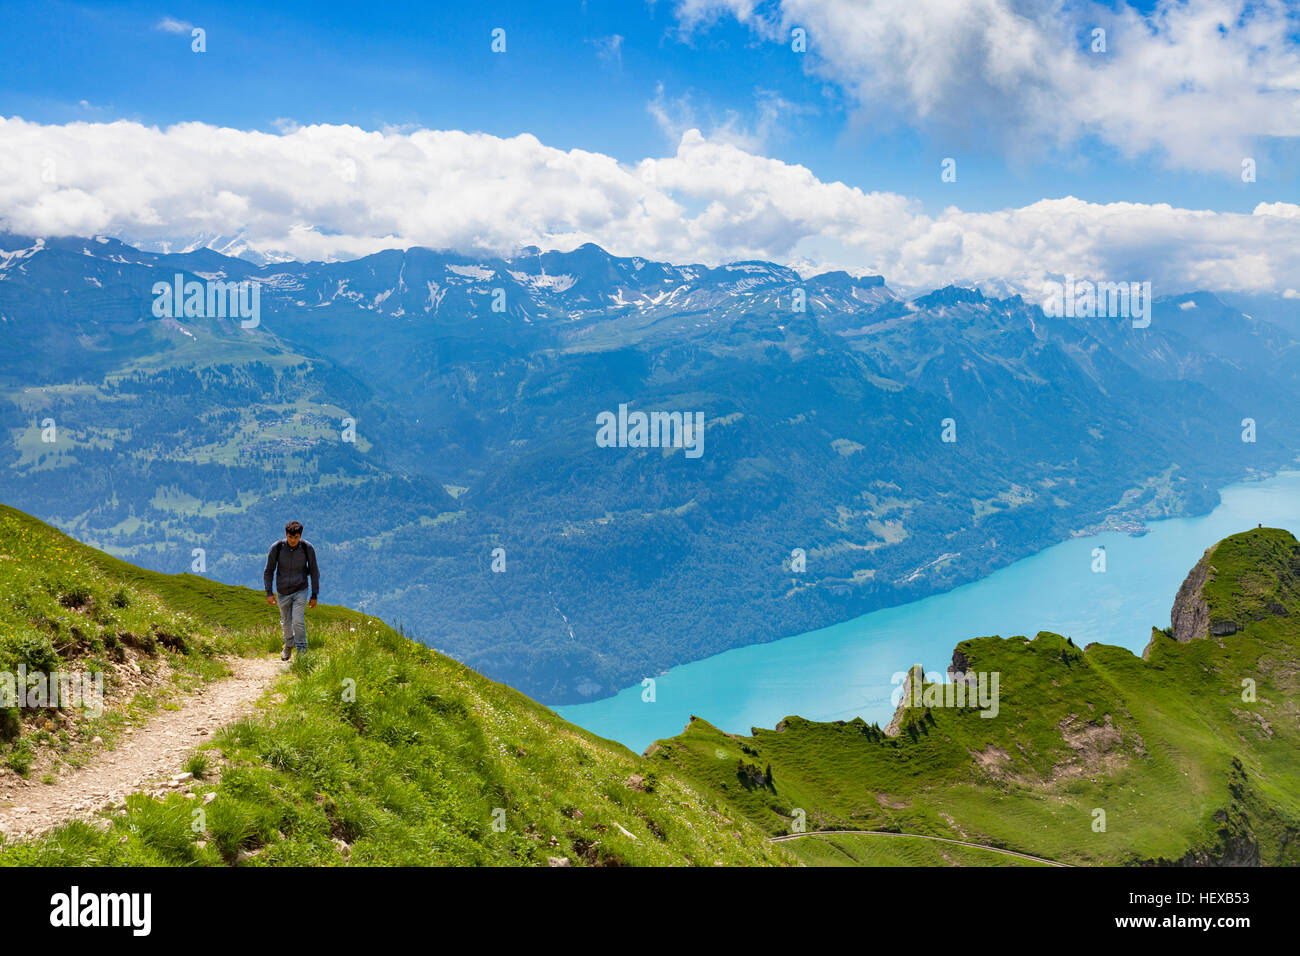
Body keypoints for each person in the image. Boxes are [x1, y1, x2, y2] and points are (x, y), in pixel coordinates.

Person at [264, 521, 320, 660]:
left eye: (296, 537)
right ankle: (289, 645)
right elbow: (269, 571)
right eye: (290, 537)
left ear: (300, 535)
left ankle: (302, 650)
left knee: (297, 620)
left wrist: (314, 594)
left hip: (301, 589)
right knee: (286, 621)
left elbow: (314, 571)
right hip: (282, 591)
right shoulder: (277, 548)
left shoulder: (307, 548)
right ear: (286, 535)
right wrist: (269, 593)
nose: (293, 540)